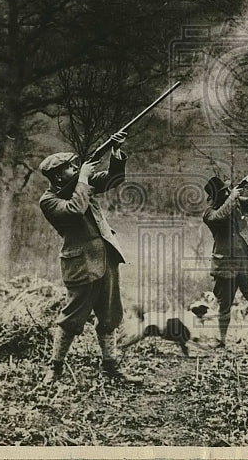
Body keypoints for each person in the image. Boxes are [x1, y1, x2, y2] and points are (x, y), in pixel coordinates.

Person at [38, 131, 142, 385]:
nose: (75, 169)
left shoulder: (81, 186)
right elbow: (74, 210)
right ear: (57, 175)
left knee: (109, 315)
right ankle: (55, 369)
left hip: (106, 258)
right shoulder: (49, 200)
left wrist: (115, 152)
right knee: (72, 318)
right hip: (80, 264)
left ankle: (111, 366)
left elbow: (114, 178)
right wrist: (83, 177)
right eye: (70, 168)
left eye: (76, 166)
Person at [202, 174, 248, 350]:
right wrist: (232, 198)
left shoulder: (238, 203)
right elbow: (220, 217)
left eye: (227, 191)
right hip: (225, 266)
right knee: (224, 306)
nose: (227, 193)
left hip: (247, 263)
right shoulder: (209, 214)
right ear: (214, 198)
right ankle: (221, 341)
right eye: (223, 192)